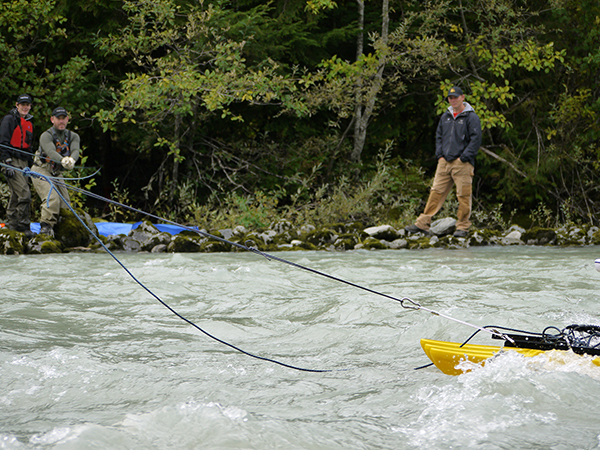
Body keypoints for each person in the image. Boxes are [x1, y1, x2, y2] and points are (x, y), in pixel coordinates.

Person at [405, 86, 482, 238]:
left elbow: (476, 140)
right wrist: (439, 155)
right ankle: (423, 224)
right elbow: (439, 136)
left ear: (462, 97)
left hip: (463, 163)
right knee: (435, 192)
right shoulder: (445, 116)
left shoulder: (471, 117)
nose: (453, 100)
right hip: (444, 162)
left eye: (455, 97)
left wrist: (464, 158)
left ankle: (463, 227)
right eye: (450, 97)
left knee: (463, 195)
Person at [31, 106, 79, 237]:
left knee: (65, 205)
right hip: (41, 170)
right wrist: (62, 160)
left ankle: (61, 233)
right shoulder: (45, 136)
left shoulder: (73, 136)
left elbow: (75, 150)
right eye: (58, 119)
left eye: (64, 119)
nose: (61, 121)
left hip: (56, 173)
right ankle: (45, 228)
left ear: (68, 120)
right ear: (52, 120)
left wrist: (72, 160)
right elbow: (51, 152)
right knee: (52, 198)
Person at [0, 94, 35, 237]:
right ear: (17, 105)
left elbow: (29, 147)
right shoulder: (9, 120)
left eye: (28, 104)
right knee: (24, 194)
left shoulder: (30, 123)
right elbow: (2, 142)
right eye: (23, 104)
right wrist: (6, 163)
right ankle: (23, 226)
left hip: (24, 163)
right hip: (11, 161)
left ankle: (12, 226)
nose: (25, 107)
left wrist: (32, 166)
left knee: (16, 194)